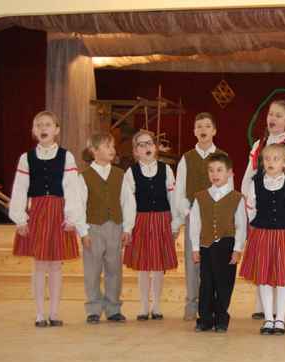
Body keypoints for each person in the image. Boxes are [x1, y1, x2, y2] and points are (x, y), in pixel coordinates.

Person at [9, 111, 81, 327]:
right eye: (39, 125)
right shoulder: (26, 158)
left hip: (58, 212)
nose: (43, 128)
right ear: (33, 130)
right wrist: (20, 218)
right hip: (38, 213)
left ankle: (54, 313)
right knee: (39, 265)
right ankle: (40, 313)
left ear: (56, 130)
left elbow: (72, 187)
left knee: (56, 265)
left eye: (48, 124)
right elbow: (20, 189)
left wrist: (72, 216)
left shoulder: (66, 157)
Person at [240, 144, 285, 335]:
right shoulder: (255, 183)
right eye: (267, 159)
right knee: (263, 277)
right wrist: (256, 223)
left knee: (283, 277)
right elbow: (250, 206)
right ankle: (268, 318)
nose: (270, 162)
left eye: (276, 158)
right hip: (262, 234)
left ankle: (280, 318)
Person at [175, 112, 229, 321]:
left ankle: (214, 305)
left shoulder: (222, 156)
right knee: (193, 263)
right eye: (199, 126)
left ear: (214, 130)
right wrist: (187, 213)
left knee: (215, 262)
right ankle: (191, 305)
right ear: (194, 131)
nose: (203, 129)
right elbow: (179, 190)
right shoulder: (187, 158)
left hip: (217, 219)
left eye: (207, 126)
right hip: (194, 216)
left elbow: (229, 189)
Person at [122, 130, 178, 321]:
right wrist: (128, 227)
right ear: (135, 151)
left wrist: (174, 224)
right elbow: (128, 202)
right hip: (142, 221)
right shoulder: (131, 172)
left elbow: (173, 197)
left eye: (149, 143)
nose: (146, 147)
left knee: (158, 266)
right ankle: (144, 306)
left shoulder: (166, 169)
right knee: (144, 266)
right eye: (141, 144)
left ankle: (157, 306)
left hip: (162, 220)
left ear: (155, 147)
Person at [190, 153, 246, 333]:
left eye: (219, 170)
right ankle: (205, 319)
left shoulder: (237, 198)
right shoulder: (200, 197)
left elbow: (241, 225)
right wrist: (195, 247)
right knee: (206, 284)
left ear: (229, 173)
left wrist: (237, 249)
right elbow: (195, 224)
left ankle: (221, 318)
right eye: (211, 170)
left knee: (224, 284)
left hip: (227, 246)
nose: (215, 174)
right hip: (206, 246)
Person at [77, 133, 129, 324]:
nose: (112, 150)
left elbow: (127, 202)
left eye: (113, 146)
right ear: (94, 150)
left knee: (114, 269)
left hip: (115, 226)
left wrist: (127, 228)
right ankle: (93, 308)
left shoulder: (120, 175)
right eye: (107, 146)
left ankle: (113, 308)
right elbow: (78, 205)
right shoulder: (84, 177)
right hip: (93, 228)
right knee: (92, 270)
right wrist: (83, 231)